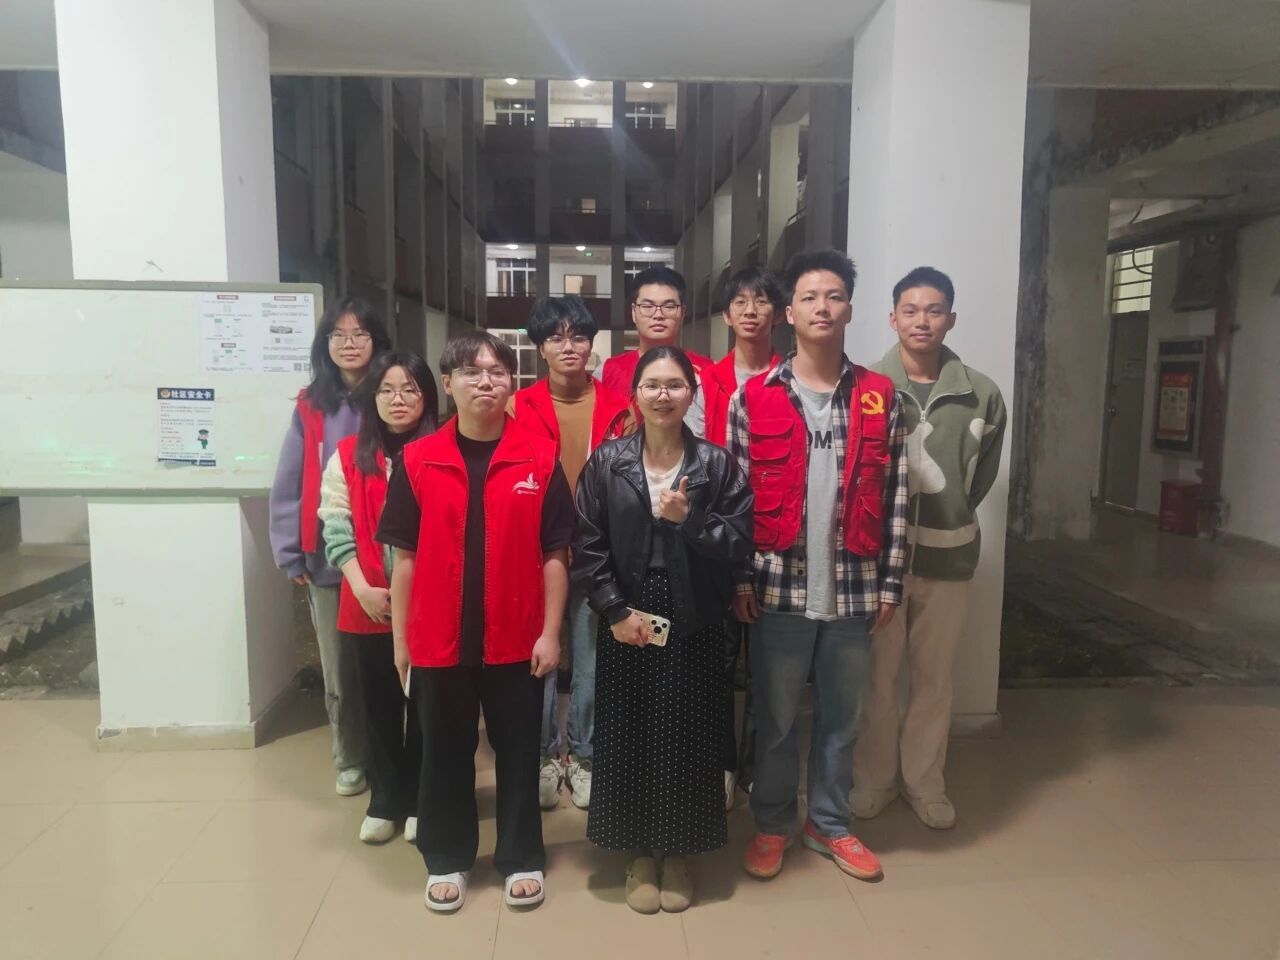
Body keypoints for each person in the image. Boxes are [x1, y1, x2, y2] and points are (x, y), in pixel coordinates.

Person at [377, 331, 575, 914]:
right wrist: (401, 641)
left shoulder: (539, 456)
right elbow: (405, 559)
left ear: (512, 383)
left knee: (518, 751)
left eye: (496, 371)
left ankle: (520, 856)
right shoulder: (418, 460)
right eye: (470, 371)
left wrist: (551, 633)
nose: (484, 381)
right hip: (439, 638)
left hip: (517, 637)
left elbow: (556, 553)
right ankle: (447, 857)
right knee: (444, 751)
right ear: (448, 383)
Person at [727, 250, 908, 884]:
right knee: (776, 721)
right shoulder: (753, 398)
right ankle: (773, 823)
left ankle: (829, 823)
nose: (822, 307)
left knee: (841, 720)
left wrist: (891, 583)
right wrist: (740, 578)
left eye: (833, 296)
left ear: (850, 309)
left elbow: (897, 496)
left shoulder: (880, 397)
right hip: (777, 588)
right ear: (789, 312)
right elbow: (735, 499)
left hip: (855, 589)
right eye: (809, 297)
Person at [574, 346, 753, 914]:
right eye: (651, 384)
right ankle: (637, 853)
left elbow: (739, 541)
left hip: (694, 612)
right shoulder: (608, 463)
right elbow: (586, 545)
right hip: (627, 610)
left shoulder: (716, 465)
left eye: (675, 385)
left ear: (691, 395)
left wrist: (690, 519)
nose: (663, 395)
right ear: (634, 394)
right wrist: (614, 610)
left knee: (687, 732)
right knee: (629, 730)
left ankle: (678, 851)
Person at [852, 267, 1007, 830]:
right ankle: (874, 780)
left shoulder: (981, 394)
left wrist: (950, 515)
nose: (922, 321)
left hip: (948, 557)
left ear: (951, 319)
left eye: (934, 310)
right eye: (911, 310)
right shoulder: (866, 387)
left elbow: (979, 479)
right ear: (892, 318)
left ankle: (925, 783)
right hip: (877, 564)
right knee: (876, 681)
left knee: (934, 680)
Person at [510, 295, 631, 812]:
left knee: (590, 661)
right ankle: (542, 755)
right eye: (556, 338)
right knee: (538, 658)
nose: (568, 347)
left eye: (578, 336)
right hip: (535, 552)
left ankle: (584, 755)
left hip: (597, 552)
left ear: (591, 344)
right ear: (540, 348)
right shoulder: (517, 406)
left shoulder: (620, 407)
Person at [270, 297, 391, 798]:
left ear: (377, 341)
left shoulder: (392, 392)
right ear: (325, 345)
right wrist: (289, 548)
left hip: (386, 554)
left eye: (360, 333)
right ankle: (350, 756)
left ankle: (392, 755)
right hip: (327, 556)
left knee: (388, 662)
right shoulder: (311, 406)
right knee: (340, 667)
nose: (349, 343)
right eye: (338, 335)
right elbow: (290, 478)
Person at [319, 351, 438, 845]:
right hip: (368, 603)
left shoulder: (444, 452)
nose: (398, 399)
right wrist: (361, 586)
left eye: (410, 389)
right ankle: (385, 799)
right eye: (386, 390)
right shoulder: (348, 455)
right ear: (372, 398)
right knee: (380, 706)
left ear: (428, 397)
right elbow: (335, 524)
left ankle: (421, 800)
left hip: (431, 606)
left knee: (428, 709)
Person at [701, 266, 786, 810]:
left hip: (776, 540)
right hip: (716, 541)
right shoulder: (705, 380)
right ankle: (720, 765)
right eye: (740, 302)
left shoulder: (793, 378)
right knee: (717, 659)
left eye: (761, 301)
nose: (751, 310)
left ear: (778, 312)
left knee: (769, 666)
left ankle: (757, 767)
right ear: (726, 315)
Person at [596, 265, 713, 435]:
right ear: (634, 312)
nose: (658, 315)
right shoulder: (607, 373)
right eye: (647, 306)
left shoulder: (708, 372)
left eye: (669, 306)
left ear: (682, 313)